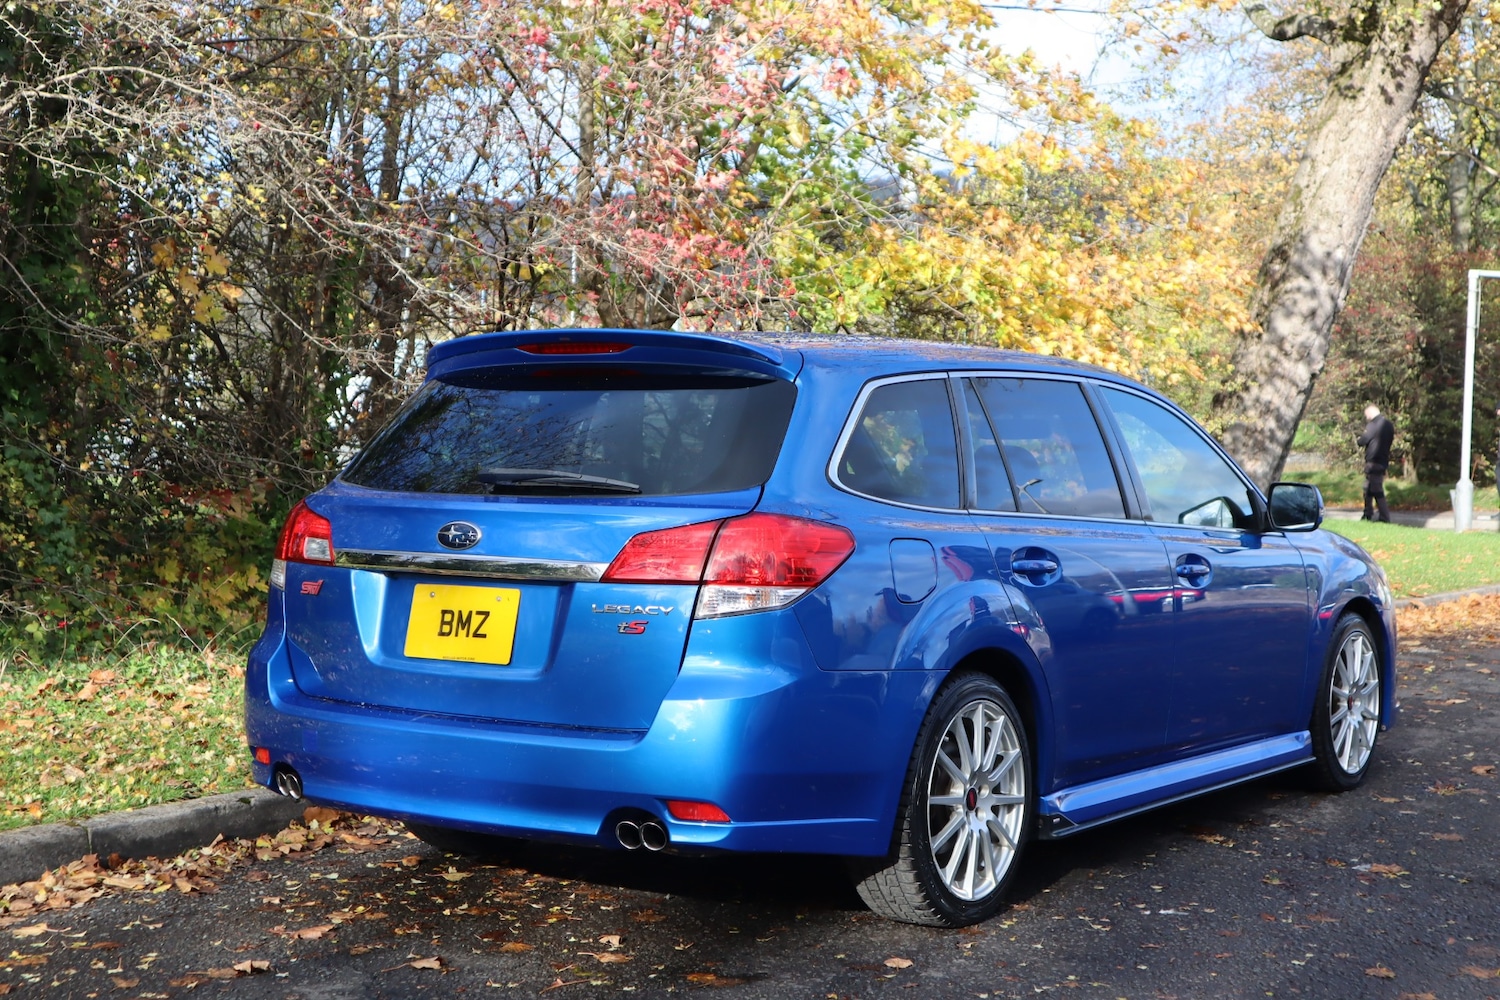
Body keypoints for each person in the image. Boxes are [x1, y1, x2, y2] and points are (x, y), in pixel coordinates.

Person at [1357, 404, 1394, 523]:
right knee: (1367, 488)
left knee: (1376, 489)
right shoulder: (1388, 425)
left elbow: (1363, 440)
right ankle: (1367, 513)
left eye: (1366, 415)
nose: (1367, 418)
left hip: (1373, 461)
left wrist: (1359, 439)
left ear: (1370, 413)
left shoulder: (1373, 425)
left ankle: (1384, 517)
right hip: (1383, 460)